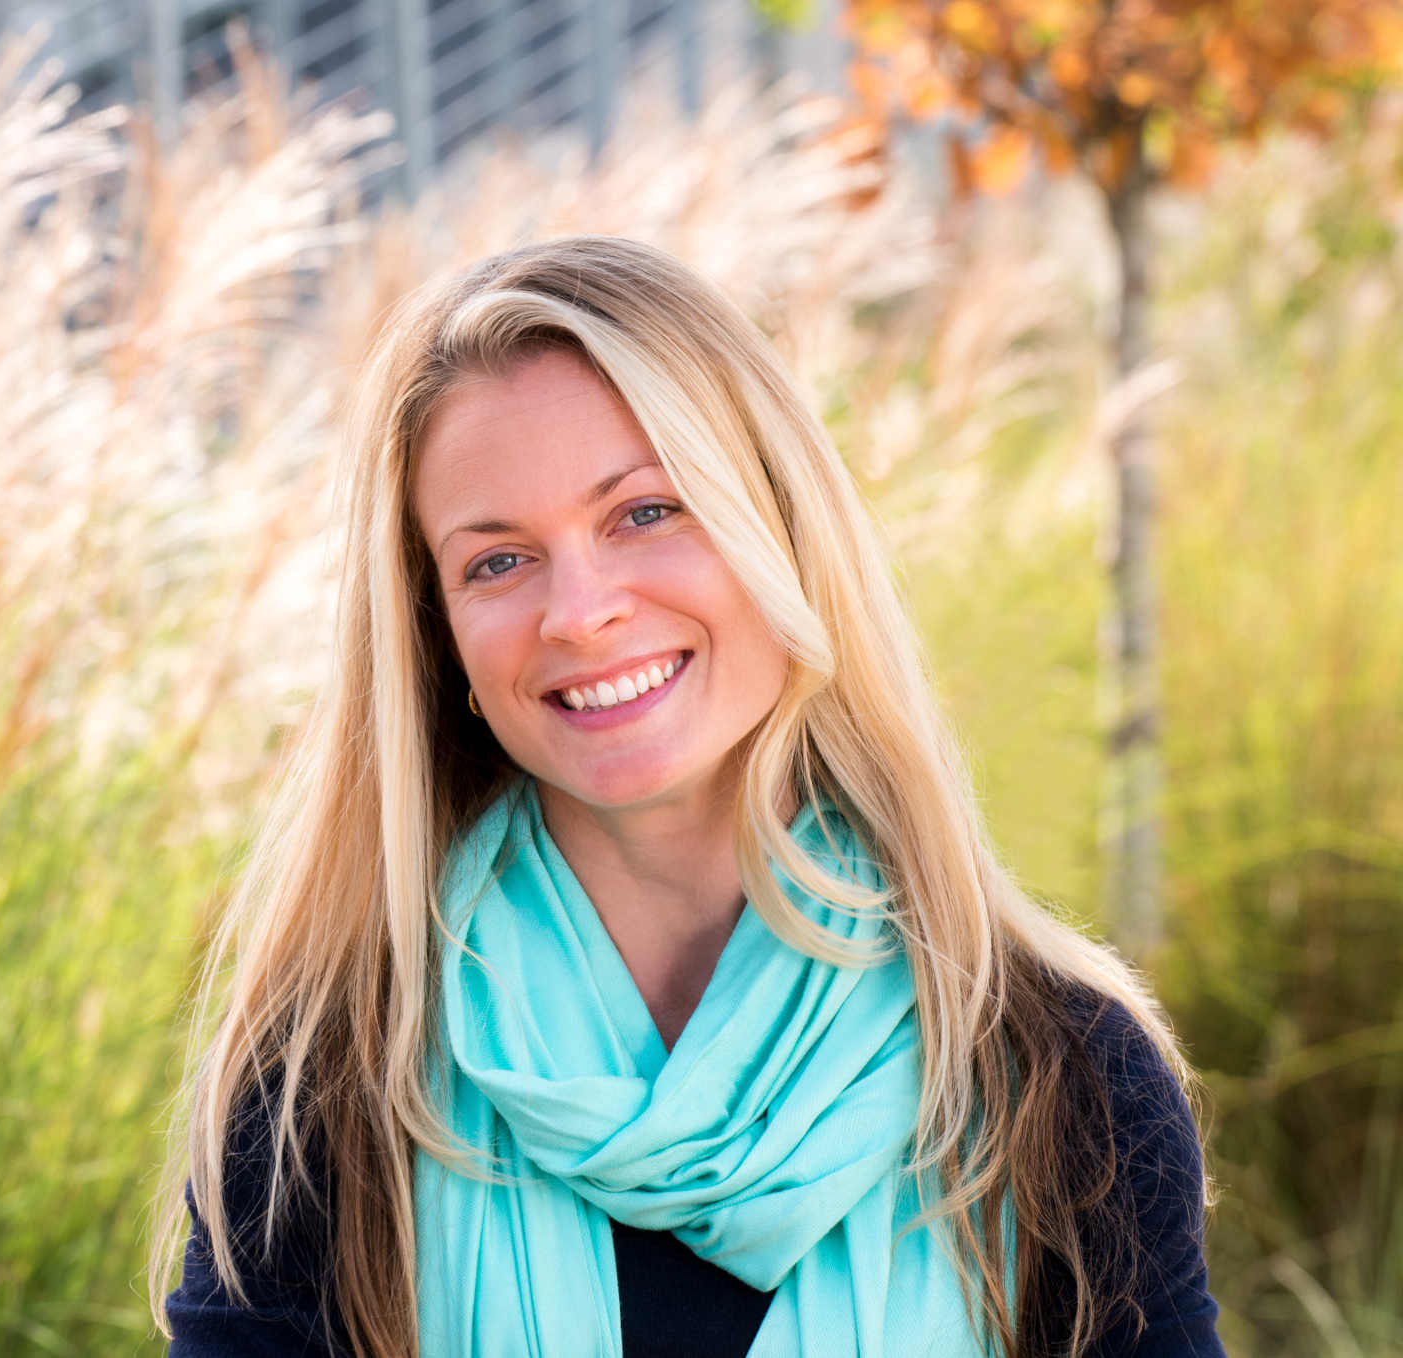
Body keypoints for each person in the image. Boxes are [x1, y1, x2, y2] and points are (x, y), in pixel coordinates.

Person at [148, 236, 1223, 1357]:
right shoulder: (330, 1077)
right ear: (439, 640)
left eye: (645, 511)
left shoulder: (1054, 1066)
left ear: (783, 534)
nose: (578, 609)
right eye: (496, 561)